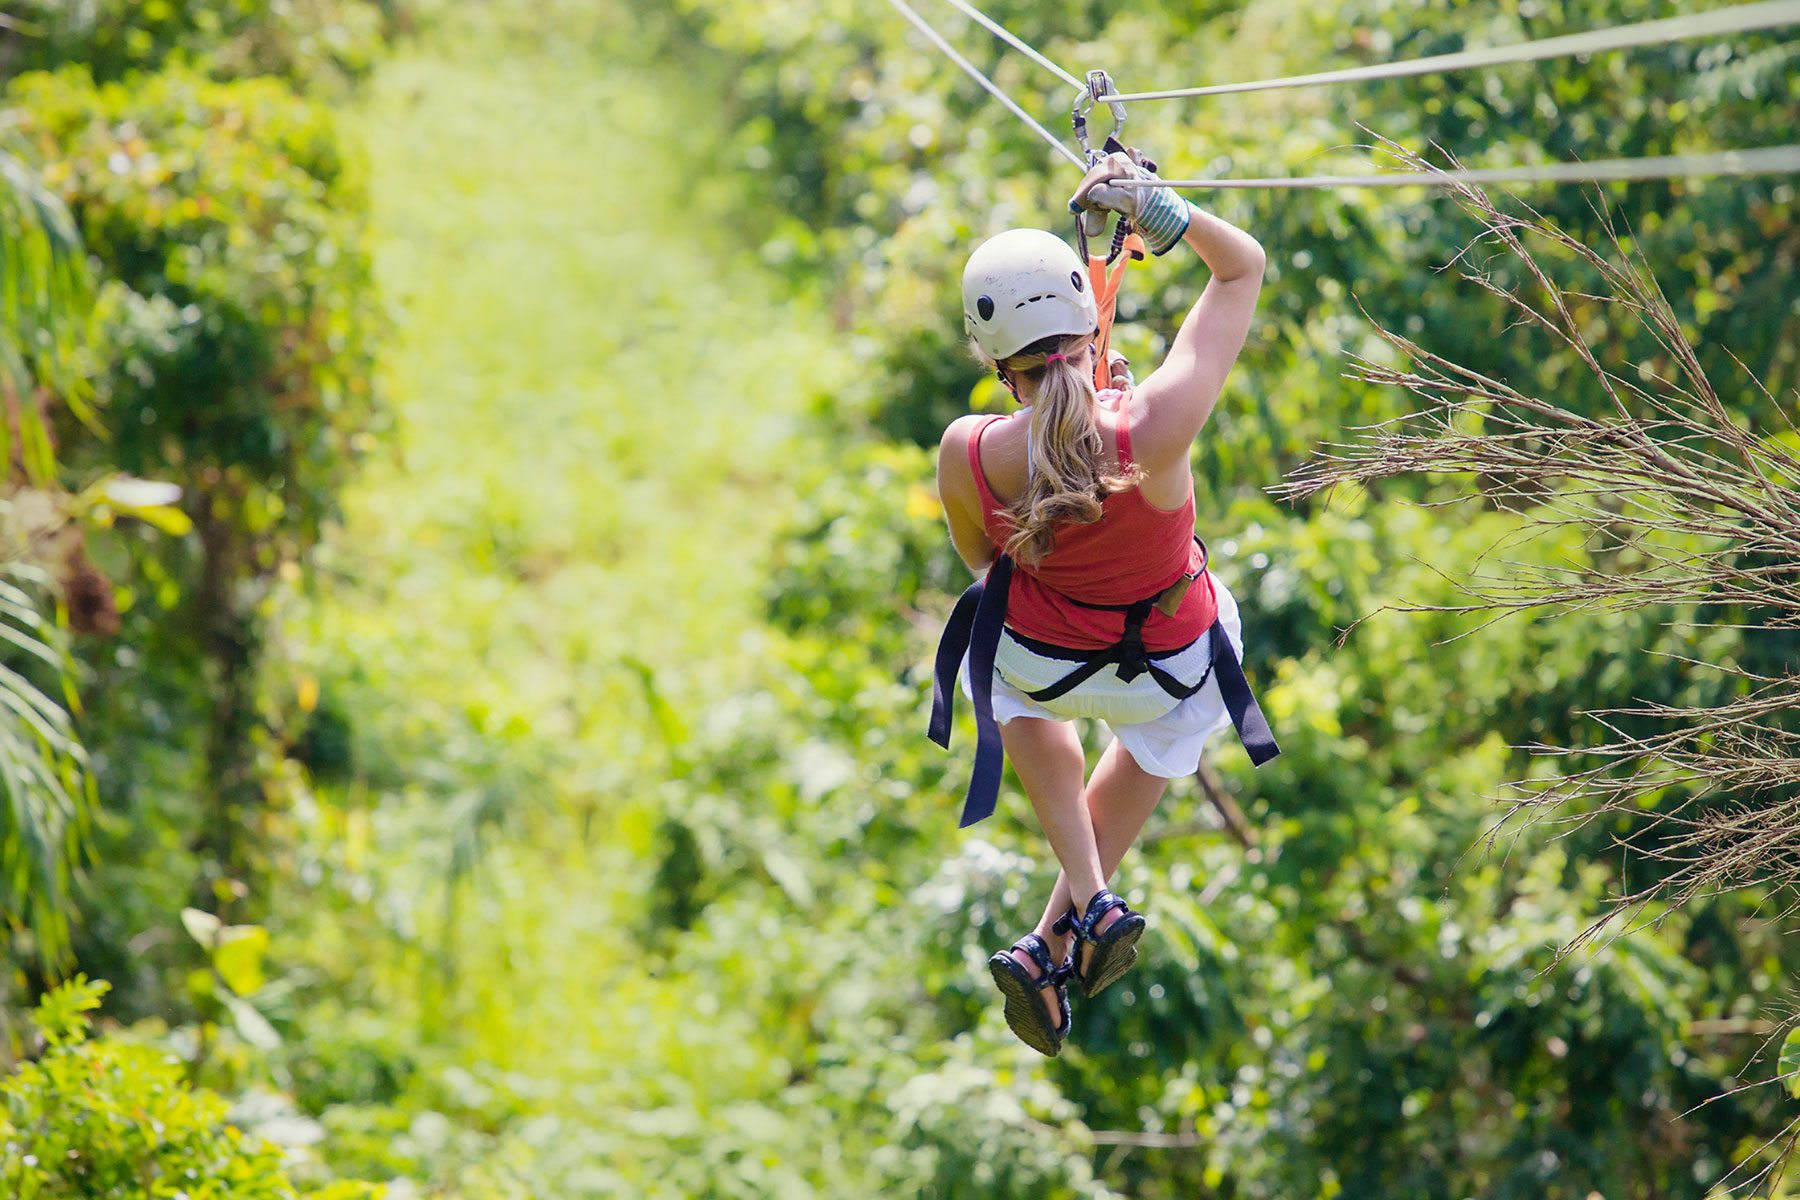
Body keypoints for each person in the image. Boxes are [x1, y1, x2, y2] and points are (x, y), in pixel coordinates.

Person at [930, 151, 1274, 1056]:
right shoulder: (1155, 425)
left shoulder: (967, 452)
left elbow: (981, 559)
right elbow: (1244, 267)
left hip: (1045, 664)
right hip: (1169, 665)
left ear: (997, 362)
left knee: (993, 658)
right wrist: (1163, 212)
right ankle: (1072, 919)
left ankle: (1077, 914)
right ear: (1092, 321)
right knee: (1167, 724)